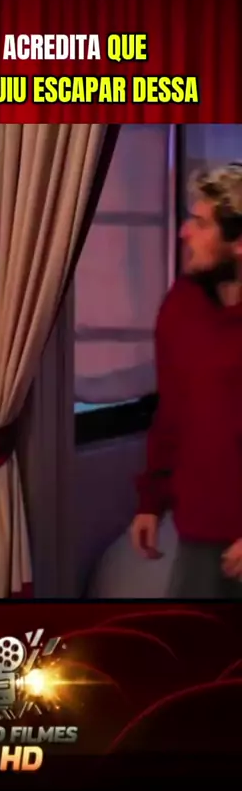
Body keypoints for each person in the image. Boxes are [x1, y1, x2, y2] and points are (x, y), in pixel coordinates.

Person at [130, 161, 242, 598]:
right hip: (199, 532)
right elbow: (172, 414)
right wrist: (151, 502)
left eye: (201, 223)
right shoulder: (181, 307)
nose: (184, 232)